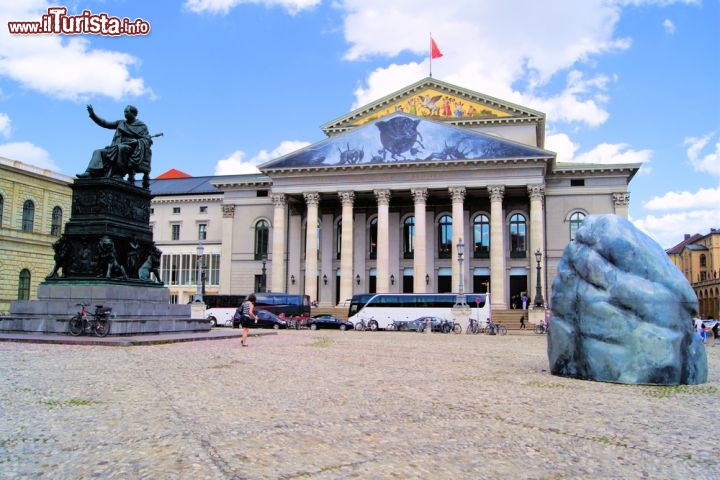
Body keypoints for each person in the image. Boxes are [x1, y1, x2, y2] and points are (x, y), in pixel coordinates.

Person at [78, 104, 154, 186]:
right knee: (98, 151)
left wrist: (136, 141)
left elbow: (147, 140)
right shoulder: (121, 123)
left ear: (133, 113)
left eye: (127, 112)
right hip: (117, 146)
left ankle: (118, 174)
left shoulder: (142, 126)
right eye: (124, 112)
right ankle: (91, 172)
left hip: (132, 150)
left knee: (121, 148)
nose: (125, 113)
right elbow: (106, 123)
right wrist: (93, 115)